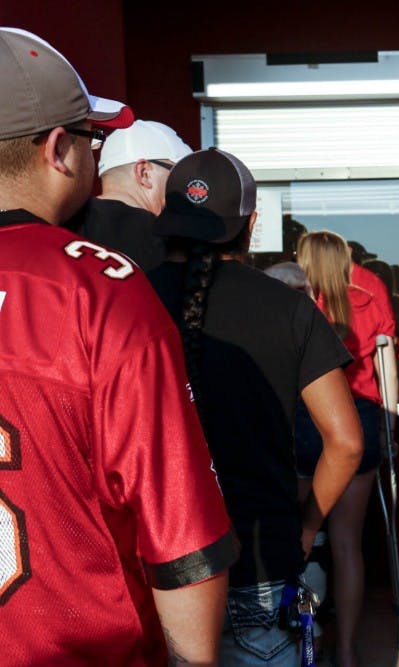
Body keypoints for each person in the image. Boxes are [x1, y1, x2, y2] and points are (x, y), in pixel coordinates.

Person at [0, 27, 238, 665]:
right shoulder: (98, 289)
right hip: (80, 642)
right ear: (58, 148)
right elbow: (181, 534)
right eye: (92, 137)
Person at [148, 148, 364, 666]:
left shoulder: (128, 298)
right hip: (261, 560)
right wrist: (307, 527)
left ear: (168, 218)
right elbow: (348, 441)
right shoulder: (288, 307)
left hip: (156, 567)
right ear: (250, 226)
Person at [297, 230, 398, 667]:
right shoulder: (371, 287)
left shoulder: (294, 291)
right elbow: (387, 362)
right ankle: (348, 649)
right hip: (358, 418)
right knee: (346, 543)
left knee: (301, 538)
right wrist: (388, 423)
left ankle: (307, 640)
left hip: (305, 416)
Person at [67, 119, 192, 271]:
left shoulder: (64, 221)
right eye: (179, 174)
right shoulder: (161, 236)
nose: (187, 186)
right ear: (144, 173)